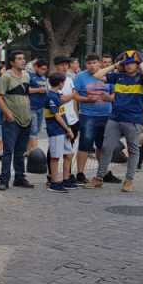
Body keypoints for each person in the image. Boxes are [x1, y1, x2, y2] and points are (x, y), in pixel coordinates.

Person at [86, 51, 143, 192]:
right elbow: (97, 76)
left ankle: (129, 180)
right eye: (127, 63)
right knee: (106, 147)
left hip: (133, 120)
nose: (129, 66)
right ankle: (99, 178)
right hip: (115, 118)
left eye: (132, 63)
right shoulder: (118, 76)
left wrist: (141, 64)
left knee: (133, 150)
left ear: (137, 65)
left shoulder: (142, 78)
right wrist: (116, 64)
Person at [73, 54, 121, 184]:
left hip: (106, 115)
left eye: (94, 62)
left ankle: (102, 173)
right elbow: (75, 95)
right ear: (85, 65)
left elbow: (115, 94)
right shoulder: (80, 77)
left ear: (99, 63)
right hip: (88, 115)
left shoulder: (108, 76)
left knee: (103, 146)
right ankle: (80, 173)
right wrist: (86, 99)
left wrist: (109, 98)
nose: (92, 65)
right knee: (85, 144)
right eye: (89, 63)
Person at [0, 51, 34, 190]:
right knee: (8, 151)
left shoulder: (26, 76)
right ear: (12, 62)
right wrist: (8, 114)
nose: (23, 61)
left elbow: (26, 95)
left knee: (20, 151)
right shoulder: (6, 77)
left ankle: (19, 178)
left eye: (23, 58)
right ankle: (4, 180)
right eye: (19, 59)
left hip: (26, 119)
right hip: (12, 120)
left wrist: (29, 113)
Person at [44, 73, 75, 193]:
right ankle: (54, 182)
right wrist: (68, 128)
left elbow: (62, 110)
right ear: (61, 83)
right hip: (55, 130)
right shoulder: (51, 96)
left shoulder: (57, 94)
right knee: (55, 157)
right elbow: (56, 116)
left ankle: (65, 179)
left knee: (69, 154)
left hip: (62, 130)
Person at [51, 56, 80, 187]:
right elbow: (59, 99)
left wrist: (76, 114)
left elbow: (73, 99)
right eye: (61, 65)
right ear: (56, 66)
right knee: (55, 153)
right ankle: (53, 178)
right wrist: (73, 95)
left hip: (71, 119)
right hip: (58, 121)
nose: (64, 67)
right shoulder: (52, 80)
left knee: (69, 152)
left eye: (66, 65)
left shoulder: (69, 79)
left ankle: (66, 177)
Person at [27, 60, 49, 153]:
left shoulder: (44, 77)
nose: (44, 71)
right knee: (34, 131)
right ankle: (35, 152)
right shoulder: (29, 76)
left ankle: (28, 150)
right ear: (36, 67)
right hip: (32, 108)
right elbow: (26, 90)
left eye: (45, 69)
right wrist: (39, 90)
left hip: (41, 107)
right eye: (42, 69)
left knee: (37, 130)